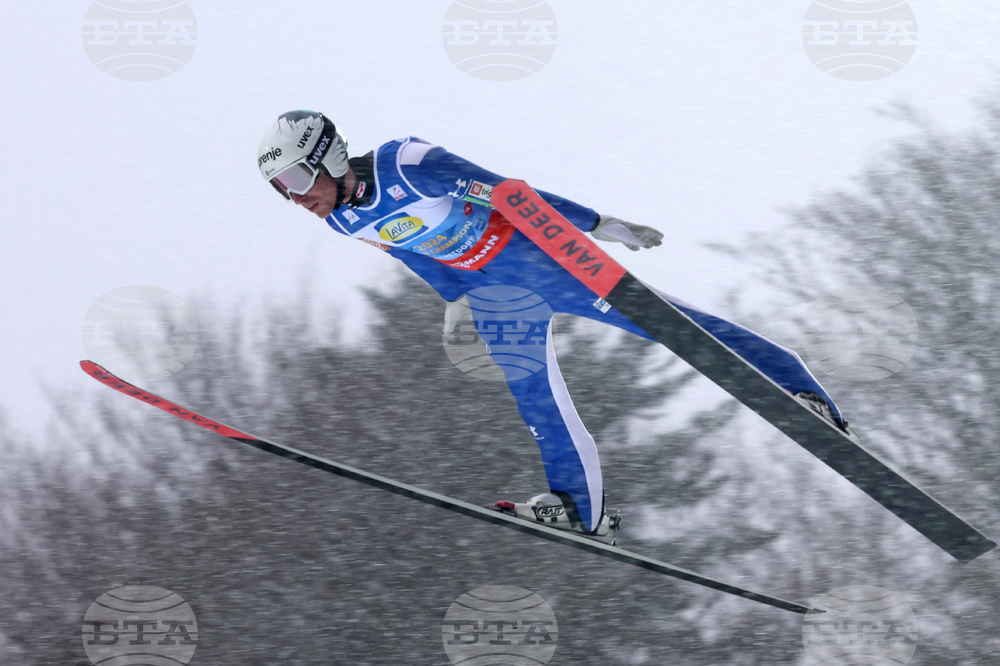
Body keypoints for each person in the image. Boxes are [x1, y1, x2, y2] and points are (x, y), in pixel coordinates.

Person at [257, 111, 848, 538]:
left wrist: (595, 222)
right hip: (493, 294)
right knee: (537, 400)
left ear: (329, 157)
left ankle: (794, 385)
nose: (298, 199)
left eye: (300, 181)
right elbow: (413, 253)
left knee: (675, 328)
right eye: (283, 191)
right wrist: (454, 299)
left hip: (545, 263)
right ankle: (580, 506)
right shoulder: (342, 221)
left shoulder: (407, 165)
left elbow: (512, 196)